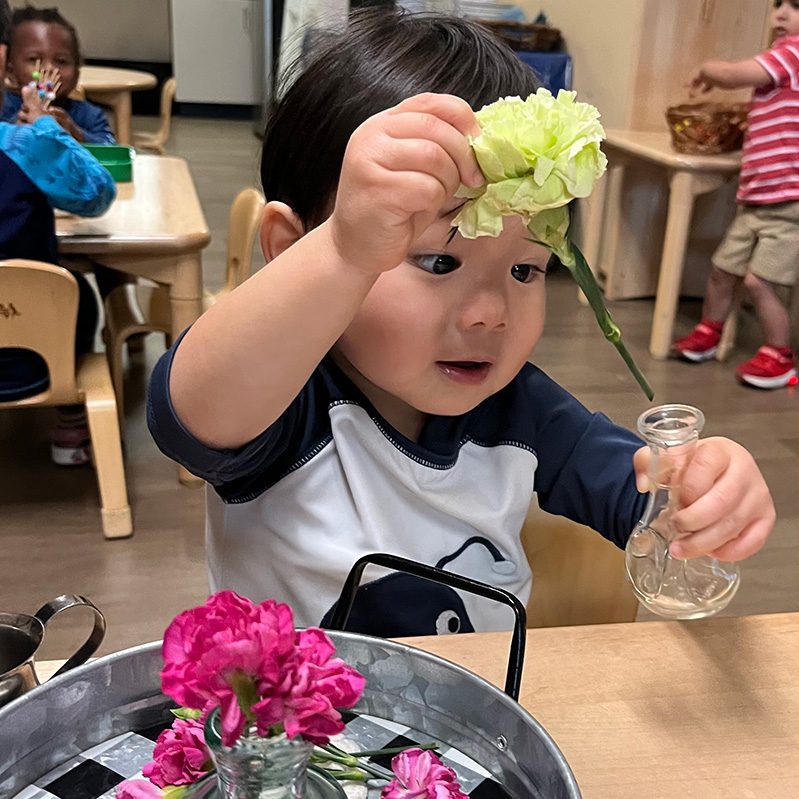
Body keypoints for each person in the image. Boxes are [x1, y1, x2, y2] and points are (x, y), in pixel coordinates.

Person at [148, 10, 775, 637]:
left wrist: (702, 494)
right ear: (293, 249)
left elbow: (643, 498)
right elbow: (190, 412)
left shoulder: (522, 410)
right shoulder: (281, 404)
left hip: (478, 725)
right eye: (440, 260)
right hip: (291, 732)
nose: (490, 313)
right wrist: (342, 253)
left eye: (526, 270)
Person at [0, 0, 116, 464]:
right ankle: (71, 423)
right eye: (31, 61)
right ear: (7, 67)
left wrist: (67, 131)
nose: (46, 71)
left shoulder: (82, 115)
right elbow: (97, 193)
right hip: (33, 364)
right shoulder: (26, 142)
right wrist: (46, 134)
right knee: (76, 295)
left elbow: (109, 150)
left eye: (60, 61)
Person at [672, 0, 799, 389]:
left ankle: (780, 355)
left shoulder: (792, 53)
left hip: (790, 201)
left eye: (794, 7)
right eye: (777, 5)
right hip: (757, 197)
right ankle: (710, 330)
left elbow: (731, 74)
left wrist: (707, 69)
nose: (778, 14)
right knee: (723, 268)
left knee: (762, 282)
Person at [1, 5, 115, 144]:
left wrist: (76, 134)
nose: (49, 69)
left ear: (76, 75)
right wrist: (16, 128)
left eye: (61, 61)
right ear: (10, 70)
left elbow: (110, 150)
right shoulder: (4, 105)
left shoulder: (90, 115)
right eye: (34, 59)